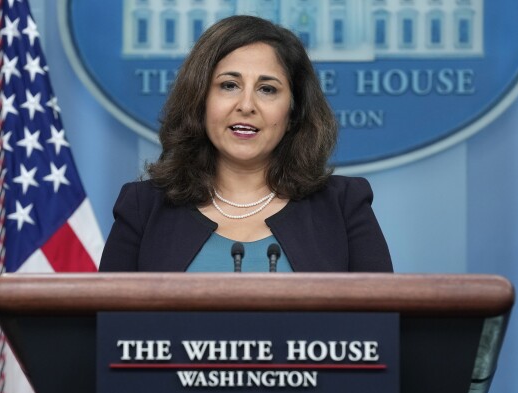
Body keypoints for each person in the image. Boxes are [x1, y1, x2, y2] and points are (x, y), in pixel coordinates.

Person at [99, 15, 392, 273]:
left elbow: (381, 329)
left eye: (267, 89)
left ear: (292, 112)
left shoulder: (343, 206)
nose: (247, 105)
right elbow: (108, 330)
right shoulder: (143, 207)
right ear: (200, 100)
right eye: (229, 85)